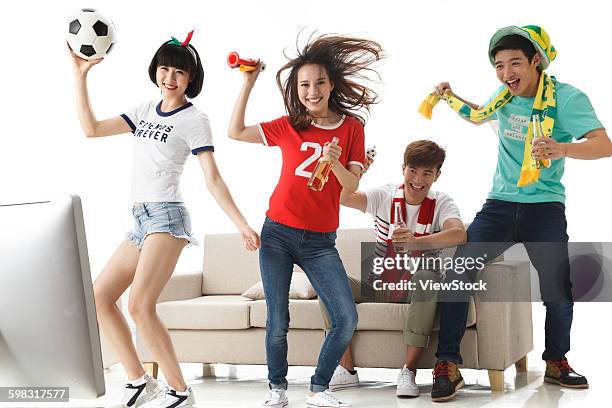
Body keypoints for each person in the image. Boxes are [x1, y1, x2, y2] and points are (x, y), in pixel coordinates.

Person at [70, 31, 260, 408]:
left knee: (140, 304)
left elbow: (213, 177)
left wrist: (241, 223)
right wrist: (80, 76)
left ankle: (180, 390)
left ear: (191, 78)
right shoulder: (142, 111)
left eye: (179, 72)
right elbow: (91, 130)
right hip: (139, 218)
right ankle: (139, 380)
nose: (170, 77)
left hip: (167, 218)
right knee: (99, 297)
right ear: (156, 71)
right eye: (164, 68)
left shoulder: (195, 119)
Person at [423, 25, 612, 402]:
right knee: (458, 273)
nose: (506, 73)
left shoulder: (566, 99)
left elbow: (603, 145)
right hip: (498, 205)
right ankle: (448, 364)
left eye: (514, 63)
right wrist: (449, 96)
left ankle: (557, 361)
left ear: (535, 61)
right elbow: (480, 115)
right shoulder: (503, 95)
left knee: (558, 288)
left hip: (544, 207)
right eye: (499, 65)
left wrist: (562, 148)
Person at [228, 33, 383, 408]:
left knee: (345, 318)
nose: (312, 91)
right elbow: (235, 131)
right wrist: (247, 84)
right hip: (277, 233)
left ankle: (318, 387)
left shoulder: (351, 129)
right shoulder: (289, 126)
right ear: (296, 90)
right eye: (304, 85)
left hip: (319, 242)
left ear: (331, 84)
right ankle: (276, 388)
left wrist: (334, 162)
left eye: (318, 83)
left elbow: (351, 184)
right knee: (278, 319)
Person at [325, 140, 465, 398]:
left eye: (427, 173)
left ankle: (408, 371)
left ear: (437, 175)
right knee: (328, 281)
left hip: (415, 287)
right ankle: (346, 368)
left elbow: (458, 234)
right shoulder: (385, 195)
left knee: (426, 277)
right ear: (403, 169)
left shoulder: (441, 202)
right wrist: (358, 174)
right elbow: (343, 197)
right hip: (379, 283)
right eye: (413, 170)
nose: (418, 180)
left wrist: (416, 242)